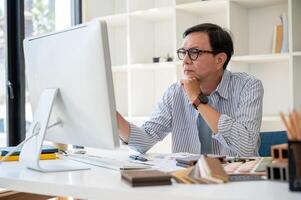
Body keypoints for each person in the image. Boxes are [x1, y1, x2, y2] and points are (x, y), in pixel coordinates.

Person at [117, 23, 264, 157]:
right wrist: (111, 115)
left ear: (219, 60)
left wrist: (197, 100)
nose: (185, 60)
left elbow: (247, 148)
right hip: (188, 181)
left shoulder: (248, 86)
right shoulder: (175, 92)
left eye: (194, 52)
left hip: (236, 181)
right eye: (184, 52)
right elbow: (144, 141)